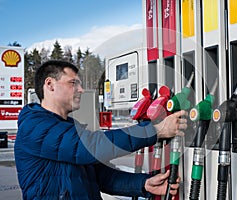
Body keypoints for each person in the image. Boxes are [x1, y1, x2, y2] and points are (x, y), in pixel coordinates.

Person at [14, 60, 188, 200]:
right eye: (73, 83)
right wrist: (155, 130)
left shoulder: (66, 128)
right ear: (50, 85)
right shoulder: (34, 126)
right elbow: (92, 147)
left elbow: (101, 177)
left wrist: (143, 184)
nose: (81, 90)